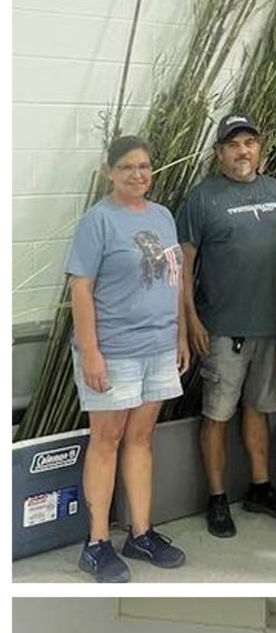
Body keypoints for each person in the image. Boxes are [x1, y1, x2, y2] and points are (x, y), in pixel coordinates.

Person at [65, 136, 191, 582]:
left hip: (158, 347)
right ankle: (96, 543)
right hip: (114, 351)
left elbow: (173, 278)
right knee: (107, 440)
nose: (138, 174)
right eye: (128, 168)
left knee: (141, 439)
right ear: (110, 172)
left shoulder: (163, 216)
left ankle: (140, 532)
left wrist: (178, 334)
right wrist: (92, 352)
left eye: (144, 166)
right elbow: (80, 288)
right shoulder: (98, 221)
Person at [178, 113, 276, 538]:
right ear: (219, 154)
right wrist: (191, 319)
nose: (242, 151)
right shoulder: (202, 198)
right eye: (233, 145)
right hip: (221, 331)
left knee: (260, 410)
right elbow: (185, 265)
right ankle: (217, 498)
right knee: (216, 414)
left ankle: (260, 487)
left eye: (249, 142)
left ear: (259, 148)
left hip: (270, 328)